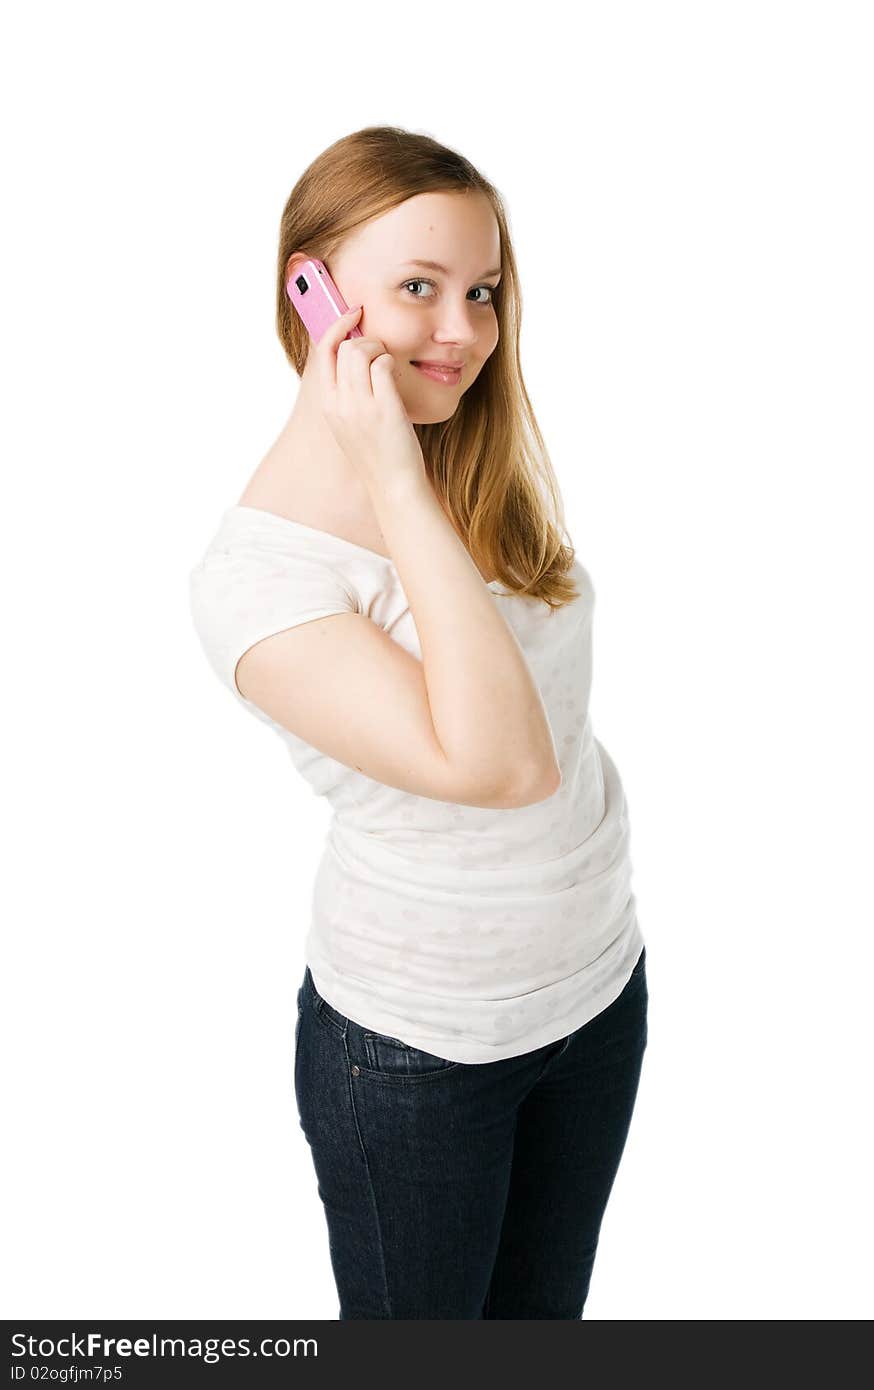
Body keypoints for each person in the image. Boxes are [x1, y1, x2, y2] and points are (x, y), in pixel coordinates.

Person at [188, 125, 649, 1319]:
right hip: (415, 1053)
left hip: (594, 996)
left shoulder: (465, 452)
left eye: (482, 290)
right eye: (416, 289)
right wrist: (391, 480)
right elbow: (500, 764)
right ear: (312, 294)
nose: (464, 331)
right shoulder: (260, 581)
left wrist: (415, 471)